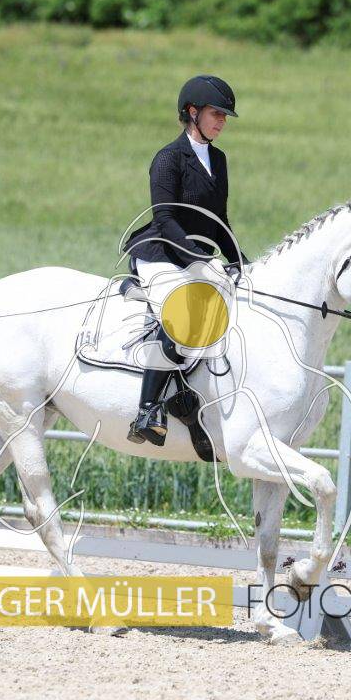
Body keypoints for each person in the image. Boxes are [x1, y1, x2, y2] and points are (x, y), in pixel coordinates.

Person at [123, 74, 245, 446]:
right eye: (216, 114)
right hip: (160, 253)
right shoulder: (168, 159)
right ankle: (146, 411)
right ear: (192, 112)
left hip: (196, 257)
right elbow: (164, 218)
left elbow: (219, 221)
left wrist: (240, 261)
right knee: (180, 316)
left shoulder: (218, 160)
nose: (221, 122)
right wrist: (198, 259)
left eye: (224, 116)